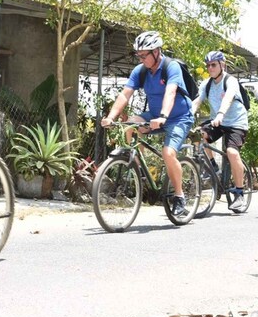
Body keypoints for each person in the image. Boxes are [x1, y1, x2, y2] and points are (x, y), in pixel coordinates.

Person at [100, 31, 195, 217]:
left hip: (179, 117)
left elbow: (171, 92)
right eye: (139, 55)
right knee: (130, 125)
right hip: (153, 115)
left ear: (157, 51)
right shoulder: (140, 70)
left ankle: (179, 197)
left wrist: (162, 117)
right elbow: (124, 94)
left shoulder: (171, 67)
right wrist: (110, 117)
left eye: (144, 55)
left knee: (168, 153)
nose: (141, 58)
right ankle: (137, 168)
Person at [190, 50, 249, 212]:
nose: (210, 68)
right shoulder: (206, 84)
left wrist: (221, 113)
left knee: (231, 152)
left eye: (213, 65)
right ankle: (213, 167)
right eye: (208, 65)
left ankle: (239, 193)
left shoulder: (231, 81)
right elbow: (197, 101)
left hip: (236, 122)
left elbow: (229, 97)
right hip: (218, 121)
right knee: (197, 134)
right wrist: (188, 114)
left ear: (222, 65)